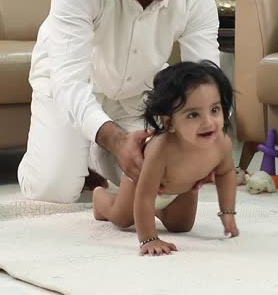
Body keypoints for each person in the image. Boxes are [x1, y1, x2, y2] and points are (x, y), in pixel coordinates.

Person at [18, 0, 221, 203]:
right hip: (68, 86)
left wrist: (207, 146)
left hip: (138, 94)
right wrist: (115, 139)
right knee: (54, 190)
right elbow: (69, 81)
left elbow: (205, 79)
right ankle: (80, 149)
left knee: (165, 183)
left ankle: (93, 154)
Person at [93, 60, 239, 255]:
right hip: (142, 186)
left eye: (215, 110)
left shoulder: (222, 144)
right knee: (122, 218)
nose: (208, 122)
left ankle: (156, 211)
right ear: (169, 122)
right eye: (193, 115)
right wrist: (149, 239)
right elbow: (145, 196)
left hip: (183, 188)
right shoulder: (161, 150)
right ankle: (100, 198)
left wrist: (227, 212)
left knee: (181, 225)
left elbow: (225, 173)